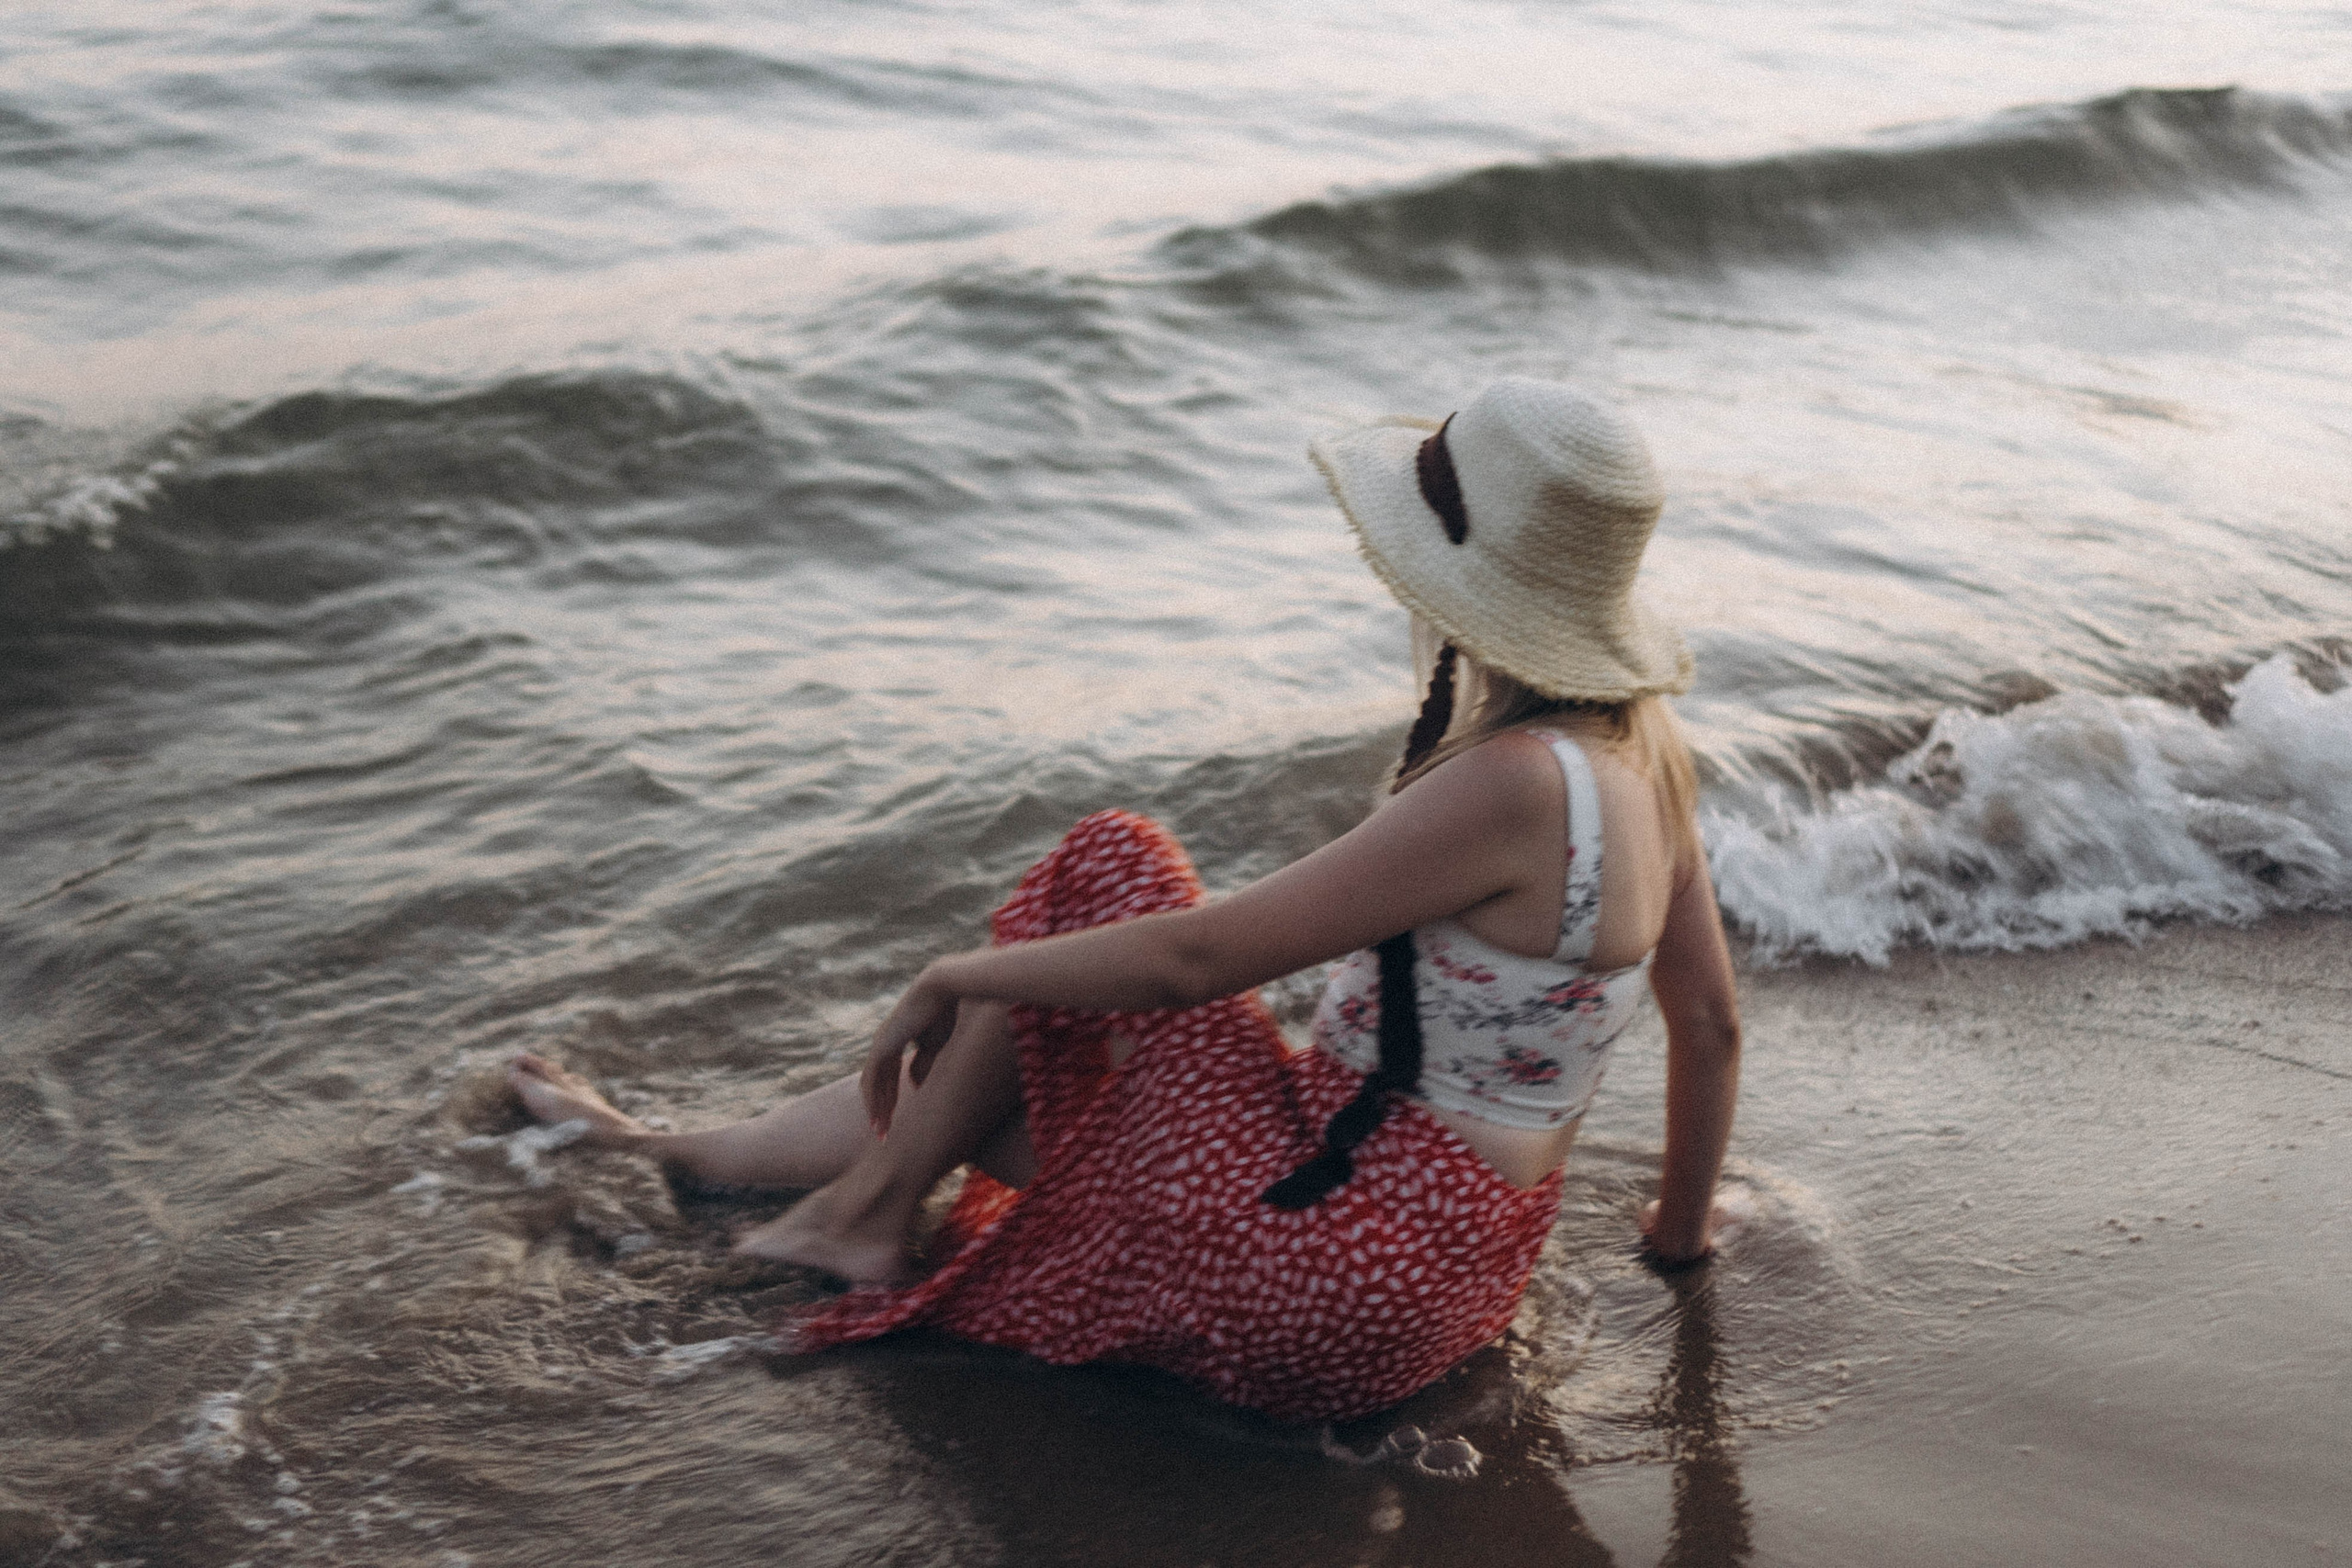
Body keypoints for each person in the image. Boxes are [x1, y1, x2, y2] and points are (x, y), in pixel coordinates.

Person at [509, 377, 1743, 1424]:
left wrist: (954, 975)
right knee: (1046, 1022)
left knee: (1108, 870)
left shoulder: (1512, 783)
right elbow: (1711, 1027)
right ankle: (704, 1159)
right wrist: (1678, 1240)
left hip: (1324, 1281)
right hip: (1453, 1291)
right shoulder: (1650, 766)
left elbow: (1192, 963)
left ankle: (857, 1214)